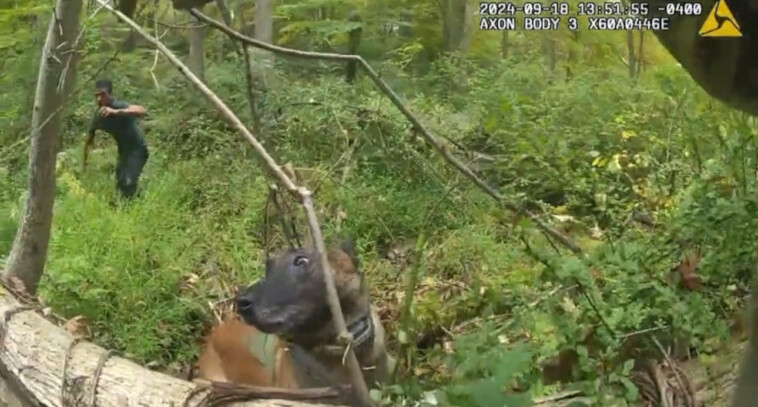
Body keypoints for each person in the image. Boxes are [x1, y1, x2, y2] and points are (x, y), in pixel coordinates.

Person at [83, 79, 149, 200]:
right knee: (120, 184)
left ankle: (137, 205)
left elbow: (142, 110)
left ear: (110, 95)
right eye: (97, 96)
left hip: (138, 150)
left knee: (128, 182)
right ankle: (129, 206)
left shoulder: (118, 105)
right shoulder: (99, 115)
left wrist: (117, 112)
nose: (99, 99)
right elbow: (89, 138)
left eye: (102, 95)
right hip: (123, 153)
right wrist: (85, 163)